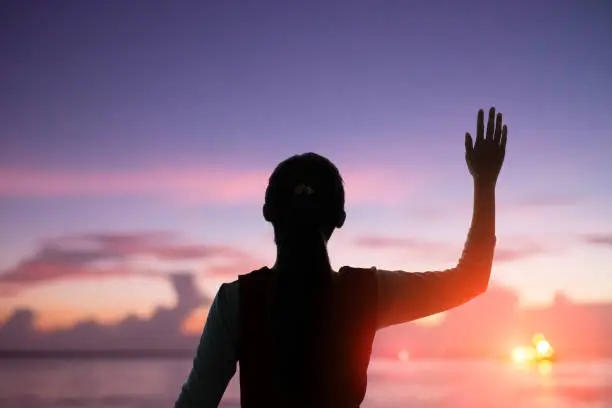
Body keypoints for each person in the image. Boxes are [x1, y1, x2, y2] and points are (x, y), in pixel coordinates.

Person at [175, 107, 508, 408]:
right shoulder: (367, 292)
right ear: (339, 217)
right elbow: (471, 280)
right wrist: (484, 183)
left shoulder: (236, 301)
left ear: (268, 213)